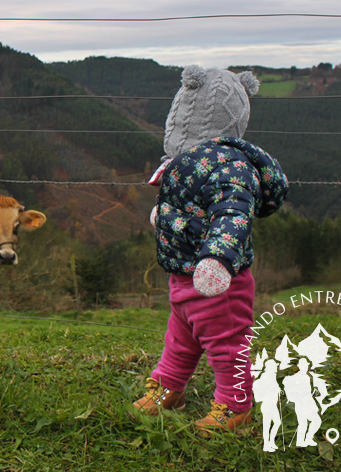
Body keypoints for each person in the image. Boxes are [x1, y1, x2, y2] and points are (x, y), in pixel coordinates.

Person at [133, 65, 289, 434]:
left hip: (218, 280)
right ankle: (170, 388)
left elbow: (232, 213)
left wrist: (218, 258)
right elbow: (191, 206)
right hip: (184, 274)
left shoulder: (228, 166)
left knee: (226, 345)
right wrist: (165, 217)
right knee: (181, 338)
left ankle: (236, 407)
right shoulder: (191, 162)